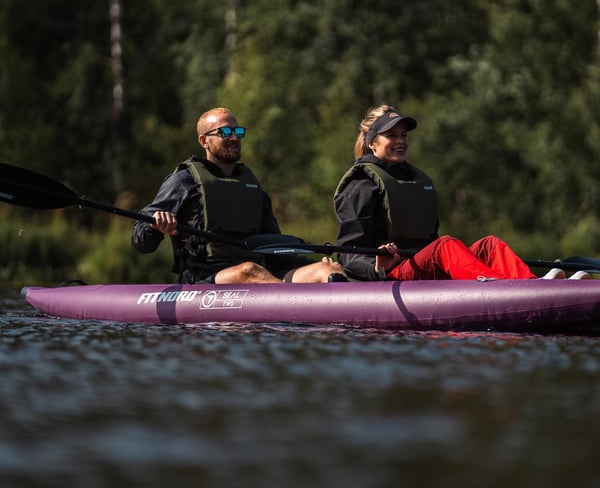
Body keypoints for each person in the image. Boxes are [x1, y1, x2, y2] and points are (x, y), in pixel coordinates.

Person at [334, 104, 590, 281]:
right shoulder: (361, 185)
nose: (401, 141)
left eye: (403, 135)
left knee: (489, 245)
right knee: (446, 245)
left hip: (418, 267)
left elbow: (427, 239)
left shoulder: (414, 179)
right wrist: (378, 268)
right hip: (391, 273)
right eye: (391, 135)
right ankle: (497, 287)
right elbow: (348, 255)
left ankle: (530, 284)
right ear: (372, 143)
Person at [132, 107, 348, 284]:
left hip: (261, 271)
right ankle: (292, 308)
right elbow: (141, 242)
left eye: (238, 132)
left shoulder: (251, 186)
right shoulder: (183, 181)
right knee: (250, 271)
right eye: (225, 133)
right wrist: (155, 226)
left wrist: (303, 262)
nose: (234, 138)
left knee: (327, 270)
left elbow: (270, 243)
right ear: (204, 141)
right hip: (204, 276)